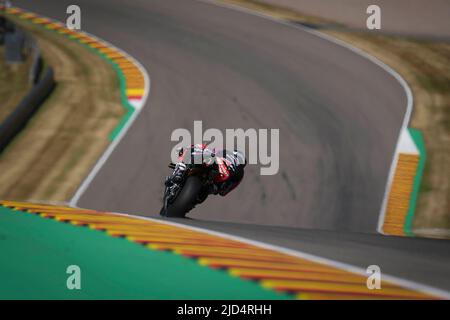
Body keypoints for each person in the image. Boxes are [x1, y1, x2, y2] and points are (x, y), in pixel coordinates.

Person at [177, 144, 246, 197]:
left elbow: (225, 191)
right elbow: (204, 148)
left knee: (206, 192)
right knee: (193, 152)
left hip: (212, 180)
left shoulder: (238, 173)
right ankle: (181, 168)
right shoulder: (222, 151)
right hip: (205, 161)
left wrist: (218, 188)